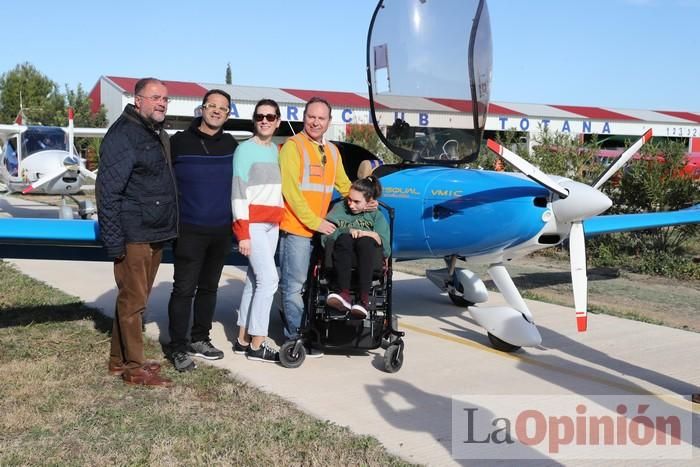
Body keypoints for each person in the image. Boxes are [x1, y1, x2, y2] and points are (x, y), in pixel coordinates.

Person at [96, 77, 176, 387]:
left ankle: (119, 361)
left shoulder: (152, 132)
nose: (161, 103)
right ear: (137, 99)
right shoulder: (125, 135)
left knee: (133, 299)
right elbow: (108, 192)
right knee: (133, 303)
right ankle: (134, 368)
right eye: (155, 97)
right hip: (134, 233)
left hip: (152, 231)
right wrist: (115, 242)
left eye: (165, 99)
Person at [166, 89, 238, 372]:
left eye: (223, 108)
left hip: (221, 230)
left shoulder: (233, 145)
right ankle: (178, 346)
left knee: (209, 288)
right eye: (212, 106)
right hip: (189, 230)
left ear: (228, 114)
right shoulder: (179, 143)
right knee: (183, 290)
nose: (217, 111)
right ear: (202, 109)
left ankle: (200, 338)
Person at [278, 97, 353, 356]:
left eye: (321, 118)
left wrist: (367, 198)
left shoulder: (332, 151)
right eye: (312, 116)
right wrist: (315, 222)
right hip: (298, 229)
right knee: (294, 286)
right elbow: (291, 191)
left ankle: (307, 332)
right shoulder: (293, 147)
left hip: (321, 232)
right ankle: (296, 338)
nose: (316, 122)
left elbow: (344, 185)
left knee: (313, 287)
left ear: (329, 122)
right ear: (304, 117)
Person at [232, 99, 284, 363]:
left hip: (273, 224)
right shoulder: (244, 150)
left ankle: (242, 338)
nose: (265, 120)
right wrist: (242, 232)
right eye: (260, 116)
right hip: (252, 224)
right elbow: (238, 192)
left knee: (255, 280)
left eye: (270, 116)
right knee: (270, 280)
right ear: (254, 120)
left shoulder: (276, 150)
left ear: (277, 121)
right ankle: (258, 344)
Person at [323, 176, 391, 318]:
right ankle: (344, 294)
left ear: (369, 201)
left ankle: (364, 299)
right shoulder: (339, 209)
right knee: (345, 238)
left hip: (367, 258)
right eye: (349, 199)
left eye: (356, 201)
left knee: (365, 241)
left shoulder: (376, 216)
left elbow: (386, 248)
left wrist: (368, 234)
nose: (351, 204)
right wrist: (346, 231)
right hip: (341, 256)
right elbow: (325, 237)